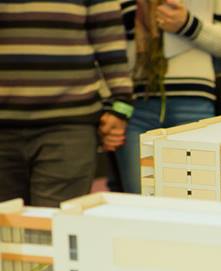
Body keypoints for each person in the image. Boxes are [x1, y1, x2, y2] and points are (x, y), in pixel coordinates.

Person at [0, 0, 133, 206]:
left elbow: (109, 41)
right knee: (6, 223)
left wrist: (121, 108)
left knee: (59, 220)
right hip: (4, 126)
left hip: (69, 125)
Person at [114, 0, 221, 193]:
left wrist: (187, 24)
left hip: (193, 104)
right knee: (139, 200)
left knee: (196, 196)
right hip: (136, 106)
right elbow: (106, 46)